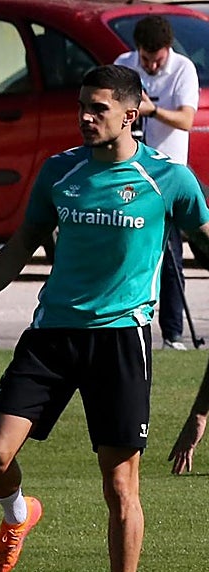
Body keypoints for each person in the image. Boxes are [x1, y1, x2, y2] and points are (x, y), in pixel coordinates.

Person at [0, 64, 209, 572]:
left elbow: (206, 238)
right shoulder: (60, 171)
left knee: (120, 485)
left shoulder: (169, 179)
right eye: (82, 106)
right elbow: (20, 245)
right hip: (52, 334)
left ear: (131, 114)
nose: (86, 117)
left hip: (121, 342)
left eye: (98, 108)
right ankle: (18, 513)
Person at [115, 14, 201, 351]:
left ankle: (172, 333)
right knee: (125, 249)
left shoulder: (182, 69)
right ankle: (121, 325)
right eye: (146, 59)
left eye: (157, 59)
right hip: (128, 172)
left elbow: (186, 119)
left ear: (167, 50)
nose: (151, 66)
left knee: (170, 256)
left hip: (167, 175)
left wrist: (150, 110)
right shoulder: (124, 65)